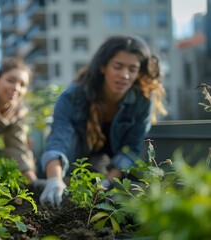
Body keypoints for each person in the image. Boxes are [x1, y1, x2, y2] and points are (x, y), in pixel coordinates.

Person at [38, 35, 167, 208]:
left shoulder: (141, 102)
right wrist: (54, 180)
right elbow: (58, 142)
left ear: (139, 73)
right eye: (118, 66)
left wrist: (106, 183)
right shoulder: (72, 97)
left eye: (133, 69)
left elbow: (131, 149)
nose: (125, 75)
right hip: (71, 169)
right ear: (103, 66)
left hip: (111, 172)